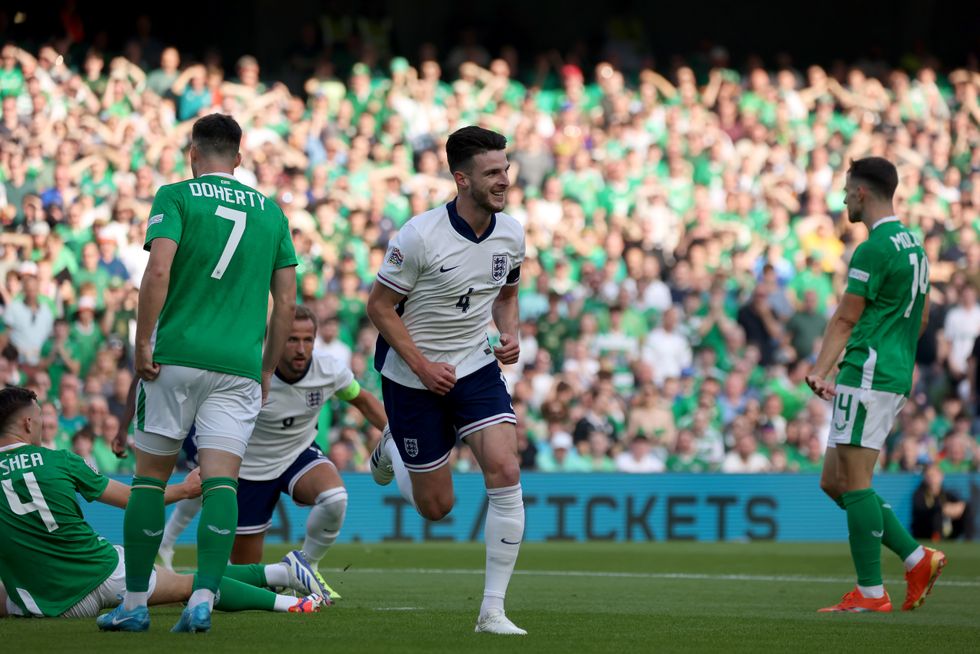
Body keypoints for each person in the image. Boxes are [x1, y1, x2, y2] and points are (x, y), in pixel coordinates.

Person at [101, 113, 299, 634]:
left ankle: (136, 603)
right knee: (221, 483)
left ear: (193, 154)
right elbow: (286, 303)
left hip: (176, 356)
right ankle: (204, 598)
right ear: (239, 157)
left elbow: (159, 270)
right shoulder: (272, 213)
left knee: (149, 480)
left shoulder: (176, 196)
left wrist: (143, 342)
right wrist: (265, 368)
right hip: (238, 366)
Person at [366, 126, 527, 635]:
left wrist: (510, 334)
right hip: (412, 377)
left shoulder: (512, 233)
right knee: (438, 508)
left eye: (505, 169)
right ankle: (393, 447)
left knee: (505, 466)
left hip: (475, 366)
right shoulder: (418, 235)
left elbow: (505, 294)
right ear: (461, 179)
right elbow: (379, 307)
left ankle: (492, 611)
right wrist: (421, 366)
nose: (503, 180)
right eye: (492, 173)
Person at [0, 387, 324, 621]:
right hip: (104, 572)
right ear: (28, 423)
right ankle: (288, 599)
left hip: (45, 603)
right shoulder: (59, 460)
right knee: (191, 585)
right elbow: (132, 499)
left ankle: (281, 573)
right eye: (40, 418)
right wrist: (183, 490)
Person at [148, 305, 389, 602]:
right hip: (247, 468)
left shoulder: (329, 370)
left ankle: (307, 566)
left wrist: (394, 435)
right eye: (292, 340)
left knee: (335, 498)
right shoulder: (249, 370)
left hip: (296, 453)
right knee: (248, 575)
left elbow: (363, 400)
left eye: (308, 340)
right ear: (275, 339)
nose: (301, 349)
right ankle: (174, 554)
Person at [806, 157, 945, 613]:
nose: (844, 198)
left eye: (847, 190)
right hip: (888, 369)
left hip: (868, 372)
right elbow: (920, 317)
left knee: (856, 481)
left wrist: (821, 370)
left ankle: (871, 592)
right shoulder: (914, 246)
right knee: (836, 481)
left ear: (862, 193)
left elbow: (846, 316)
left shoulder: (874, 248)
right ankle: (915, 557)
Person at [911, 464, 974, 541]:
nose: (932, 478)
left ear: (941, 476)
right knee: (937, 511)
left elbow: (960, 504)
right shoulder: (919, 494)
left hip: (948, 531)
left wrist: (959, 507)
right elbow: (922, 510)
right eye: (929, 475)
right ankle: (937, 539)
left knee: (966, 508)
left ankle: (968, 541)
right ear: (925, 478)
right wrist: (943, 508)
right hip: (925, 532)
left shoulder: (946, 494)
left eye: (935, 475)